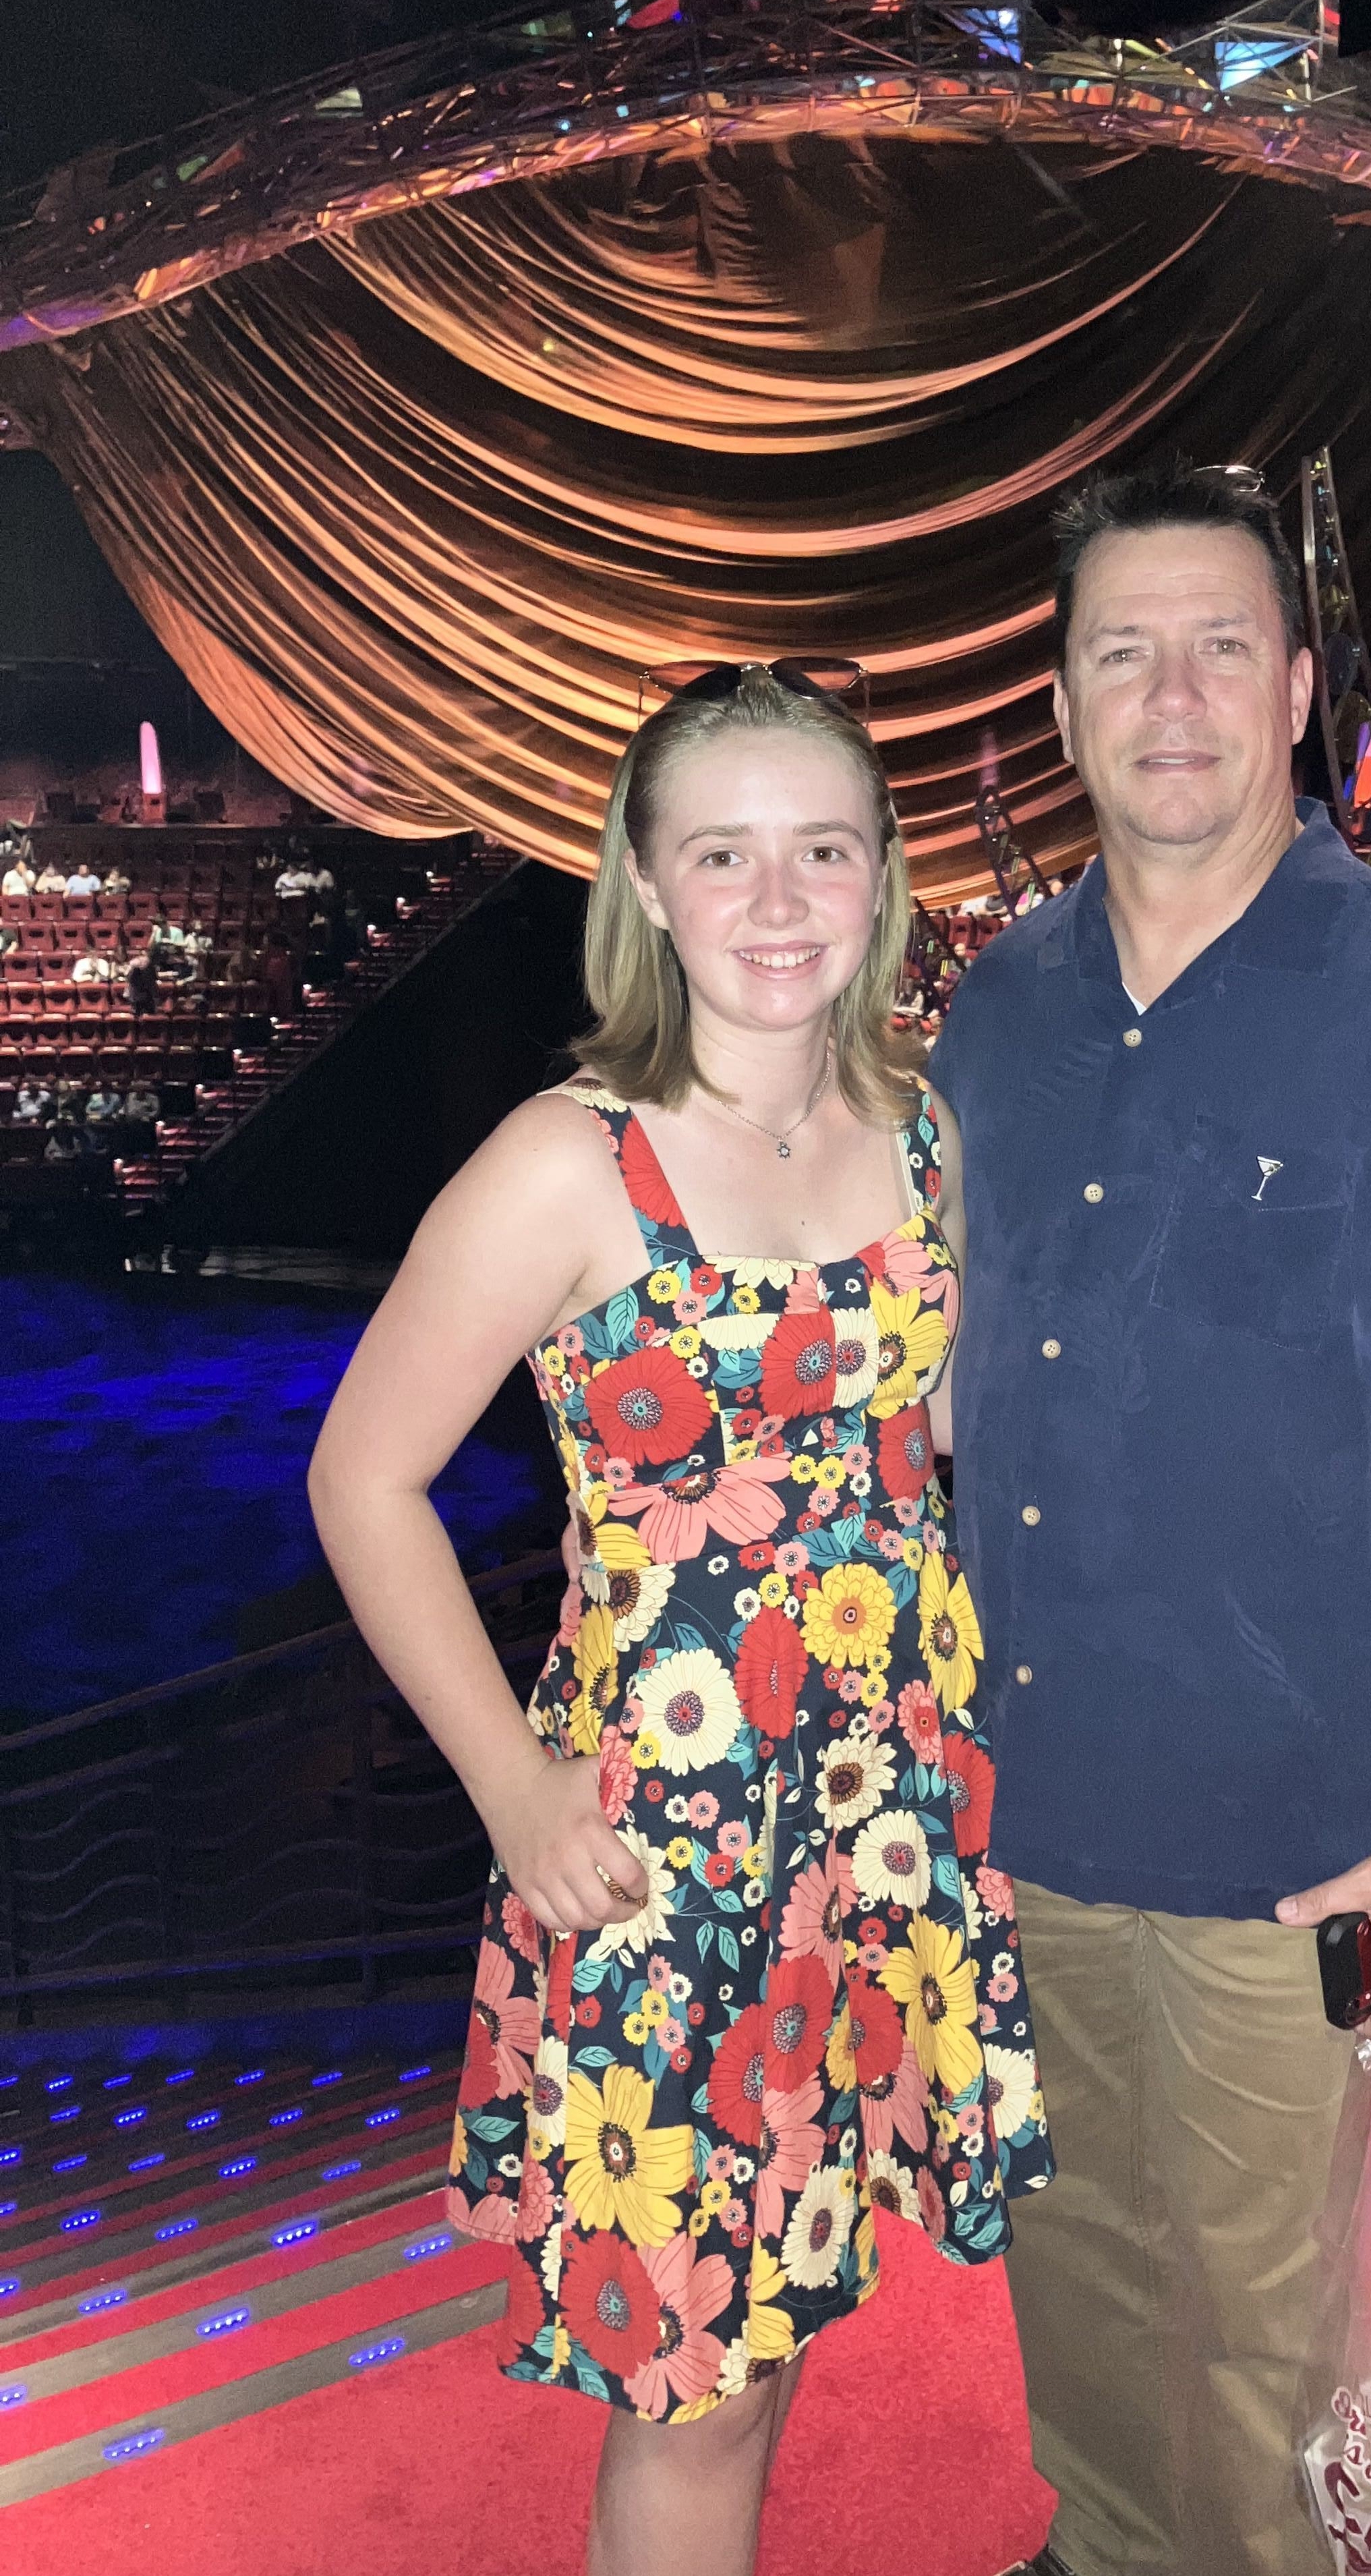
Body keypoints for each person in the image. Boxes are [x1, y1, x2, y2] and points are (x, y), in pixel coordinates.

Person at [927, 461, 1371, 2576]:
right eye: (1123, 653)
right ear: (1062, 703)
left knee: (1258, 2335)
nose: (1172, 697)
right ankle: (1105, 2548)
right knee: (1073, 2248)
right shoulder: (996, 1014)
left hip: (1292, 1833)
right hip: (1036, 1791)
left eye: (1220, 648)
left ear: (1300, 688)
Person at [308, 663, 1053, 2576]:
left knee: (784, 2324)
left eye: (824, 849)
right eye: (724, 854)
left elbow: (937, 1450)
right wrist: (513, 1787)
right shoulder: (571, 1162)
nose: (779, 899)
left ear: (884, 873)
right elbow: (362, 1480)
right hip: (668, 1847)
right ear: (645, 883)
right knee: (696, 2386)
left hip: (884, 1824)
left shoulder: (930, 1137)